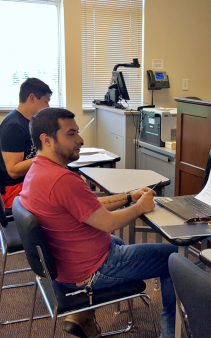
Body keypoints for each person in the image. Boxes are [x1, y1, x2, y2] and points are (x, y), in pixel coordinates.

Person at [19, 107, 177, 338]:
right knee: (174, 257)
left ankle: (82, 315)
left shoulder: (38, 171)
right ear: (47, 140)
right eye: (71, 134)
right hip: (93, 270)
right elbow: (108, 223)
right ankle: (171, 333)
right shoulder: (63, 180)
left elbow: (90, 206)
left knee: (116, 241)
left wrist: (127, 197)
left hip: (69, 265)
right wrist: (140, 207)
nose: (80, 140)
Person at [0, 78, 52, 214]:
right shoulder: (14, 126)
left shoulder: (29, 122)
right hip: (13, 191)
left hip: (27, 182)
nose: (47, 107)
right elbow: (13, 170)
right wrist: (48, 156)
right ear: (32, 98)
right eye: (46, 101)